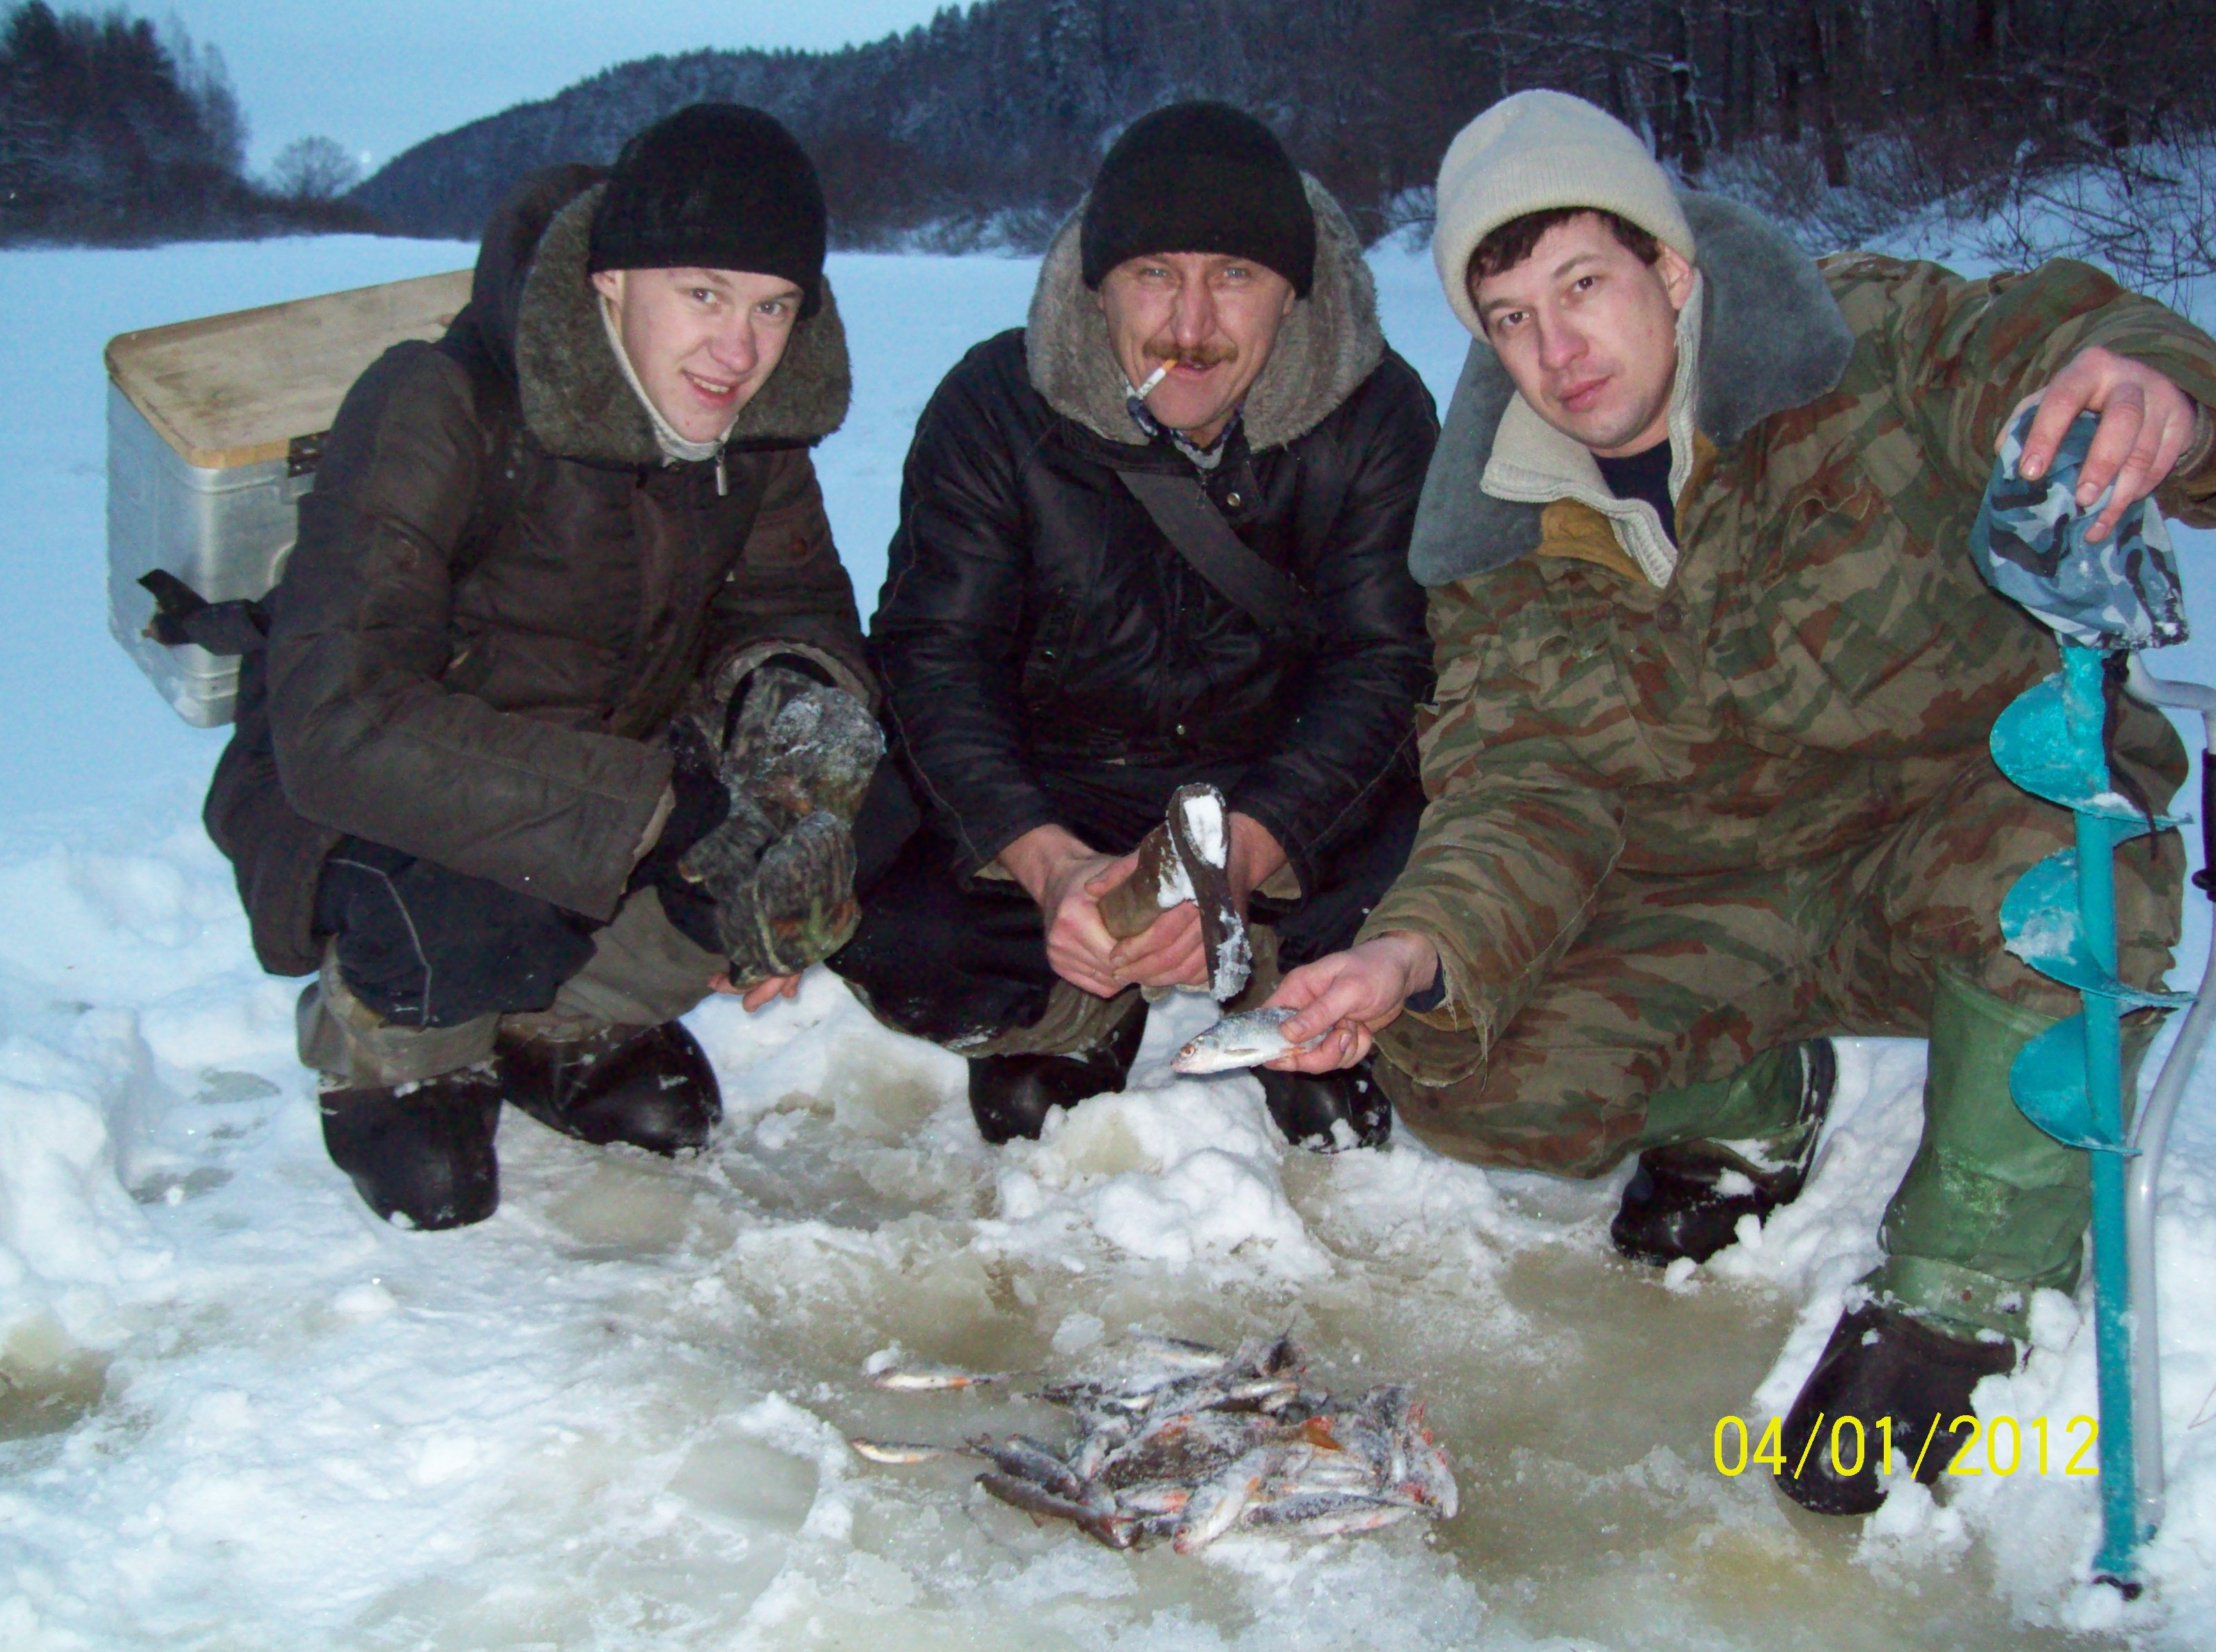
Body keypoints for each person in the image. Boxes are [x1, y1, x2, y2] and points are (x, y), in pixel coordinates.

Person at [1265, 89, 2216, 1512]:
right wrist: (1410, 953)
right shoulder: (1494, 537)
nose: (1556, 349)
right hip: (1724, 893)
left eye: (1583, 284)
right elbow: (1523, 791)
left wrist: (2154, 387)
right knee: (1475, 1069)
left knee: (2061, 874)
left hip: (1952, 837)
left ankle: (1963, 1287)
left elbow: (2052, 341)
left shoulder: (1868, 341)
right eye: (1509, 318)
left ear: (1669, 266)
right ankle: (1751, 1108)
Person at [205, 104, 896, 1230]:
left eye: (773, 307)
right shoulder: (434, 403)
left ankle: (566, 1021)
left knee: (842, 808)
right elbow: (339, 723)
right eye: (705, 294)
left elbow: (795, 610)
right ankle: (392, 1045)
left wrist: (797, 764)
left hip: (606, 770)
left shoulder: (755, 432)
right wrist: (656, 812)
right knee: (485, 909)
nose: (739, 350)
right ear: (609, 283)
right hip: (384, 808)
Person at [827, 101, 1438, 1150]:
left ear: (1294, 294)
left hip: (1286, 789)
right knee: (913, 949)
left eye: (1235, 276)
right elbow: (936, 656)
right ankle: (1082, 995)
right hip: (1070, 784)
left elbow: (1383, 663)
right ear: (1096, 284)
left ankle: (1292, 975)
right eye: (1155, 272)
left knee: (1420, 878)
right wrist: (1049, 865)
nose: (1189, 328)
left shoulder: (1376, 413)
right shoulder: (993, 404)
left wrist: (1244, 855)